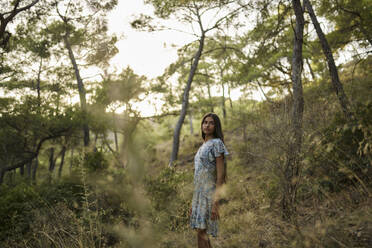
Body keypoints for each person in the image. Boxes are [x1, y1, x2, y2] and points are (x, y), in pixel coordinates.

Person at [189, 113, 229, 248]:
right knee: (200, 233)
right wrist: (192, 202)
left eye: (211, 123)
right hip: (198, 194)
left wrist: (215, 202)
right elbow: (198, 175)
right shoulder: (203, 145)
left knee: (202, 232)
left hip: (209, 194)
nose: (207, 125)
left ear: (216, 126)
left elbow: (220, 176)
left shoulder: (217, 144)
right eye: (205, 122)